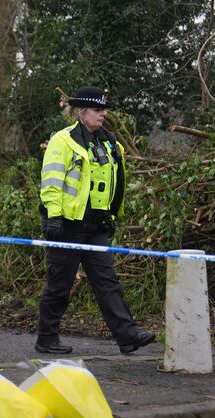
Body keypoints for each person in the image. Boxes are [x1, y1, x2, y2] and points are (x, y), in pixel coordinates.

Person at [35, 85, 155, 355]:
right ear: (82, 112)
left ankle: (128, 337)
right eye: (98, 110)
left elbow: (115, 181)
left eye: (104, 110)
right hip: (66, 223)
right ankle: (46, 338)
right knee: (60, 283)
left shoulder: (110, 142)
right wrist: (53, 216)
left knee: (106, 280)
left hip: (96, 224)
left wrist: (112, 214)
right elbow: (51, 182)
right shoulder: (63, 141)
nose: (103, 115)